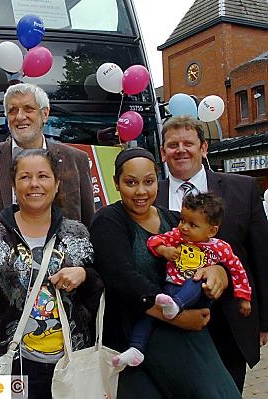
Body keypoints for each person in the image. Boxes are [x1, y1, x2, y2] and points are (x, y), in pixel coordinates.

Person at [90, 147, 240, 398]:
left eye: (148, 182)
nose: (141, 191)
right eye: (130, 182)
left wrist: (218, 272)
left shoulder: (175, 221)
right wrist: (177, 316)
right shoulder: (108, 220)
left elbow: (213, 253)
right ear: (116, 183)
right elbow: (121, 278)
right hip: (136, 340)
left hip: (187, 342)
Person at [0, 148, 103, 399]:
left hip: (70, 365)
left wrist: (85, 276)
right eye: (25, 177)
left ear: (56, 184)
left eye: (43, 176)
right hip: (9, 366)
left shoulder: (76, 233)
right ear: (13, 185)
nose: (34, 184)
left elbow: (97, 295)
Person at [156, 115, 268, 391]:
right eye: (172, 145)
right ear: (162, 153)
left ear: (204, 148)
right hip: (169, 323)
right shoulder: (149, 195)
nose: (180, 150)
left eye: (188, 143)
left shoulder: (242, 189)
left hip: (228, 325)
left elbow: (262, 257)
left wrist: (264, 322)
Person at [113, 192, 251, 368]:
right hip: (170, 288)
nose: (184, 227)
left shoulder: (219, 247)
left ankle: (176, 305)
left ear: (211, 230)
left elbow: (237, 270)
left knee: (197, 278)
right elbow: (153, 241)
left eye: (192, 225)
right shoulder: (177, 236)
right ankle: (136, 349)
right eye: (182, 220)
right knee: (148, 312)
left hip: (196, 296)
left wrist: (244, 298)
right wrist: (164, 250)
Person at [0, 83, 96, 227]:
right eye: (13, 111)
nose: (20, 117)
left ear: (45, 114)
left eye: (29, 109)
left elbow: (89, 223)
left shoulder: (76, 159)